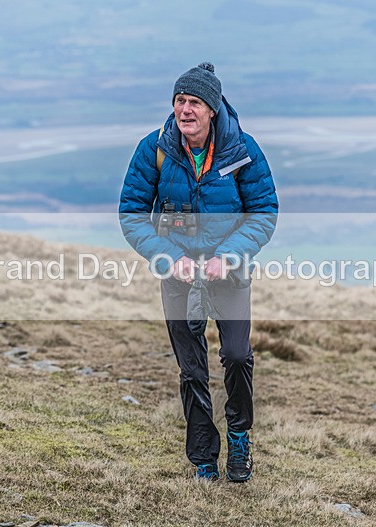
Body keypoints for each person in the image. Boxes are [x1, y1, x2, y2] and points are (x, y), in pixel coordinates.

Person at [119, 62, 278, 482]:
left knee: (238, 356)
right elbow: (133, 215)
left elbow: (264, 213)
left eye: (194, 102)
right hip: (178, 275)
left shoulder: (242, 149)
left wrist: (228, 256)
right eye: (179, 101)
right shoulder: (154, 148)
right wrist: (170, 258)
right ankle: (204, 457)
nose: (185, 110)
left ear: (212, 109)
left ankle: (240, 436)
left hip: (230, 272)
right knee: (192, 370)